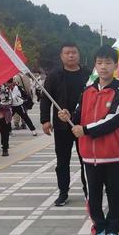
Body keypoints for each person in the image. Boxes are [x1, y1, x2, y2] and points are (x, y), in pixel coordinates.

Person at [58, 45, 119, 235]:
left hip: (113, 155)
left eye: (108, 63)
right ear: (95, 65)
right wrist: (68, 117)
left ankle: (113, 230)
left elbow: (113, 120)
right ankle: (99, 229)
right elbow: (78, 116)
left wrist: (85, 130)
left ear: (115, 65)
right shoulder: (87, 91)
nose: (103, 67)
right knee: (93, 195)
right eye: (99, 62)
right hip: (89, 155)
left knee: (115, 194)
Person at [40, 43, 90, 206]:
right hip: (62, 126)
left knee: (86, 160)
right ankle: (63, 192)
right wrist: (45, 120)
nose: (71, 56)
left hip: (83, 126)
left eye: (74, 53)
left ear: (79, 55)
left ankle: (88, 191)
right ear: (61, 56)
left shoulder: (88, 75)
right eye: (67, 53)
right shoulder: (54, 75)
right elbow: (46, 98)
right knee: (62, 161)